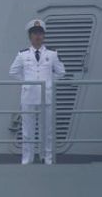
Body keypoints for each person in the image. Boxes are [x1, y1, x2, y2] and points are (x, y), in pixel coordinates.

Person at [9, 19, 65, 164]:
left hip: (45, 96)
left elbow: (61, 72)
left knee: (46, 131)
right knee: (27, 131)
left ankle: (48, 159)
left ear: (44, 36)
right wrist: (27, 82)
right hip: (28, 97)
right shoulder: (23, 54)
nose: (37, 36)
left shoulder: (52, 54)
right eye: (34, 33)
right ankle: (27, 160)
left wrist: (49, 82)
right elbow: (13, 72)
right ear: (30, 36)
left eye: (40, 33)